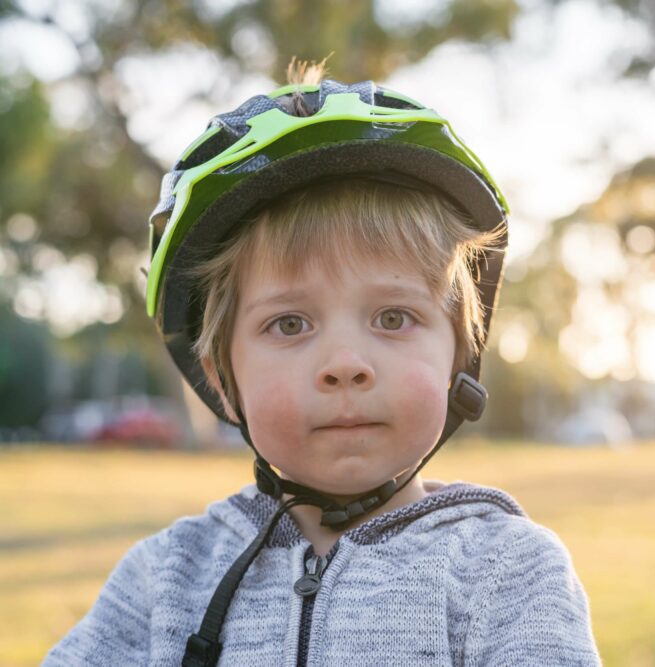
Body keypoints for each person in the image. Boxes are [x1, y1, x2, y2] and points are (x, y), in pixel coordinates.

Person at [44, 60, 600, 666]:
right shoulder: (163, 585)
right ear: (221, 379)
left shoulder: (507, 575)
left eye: (393, 318)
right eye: (289, 324)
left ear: (458, 356)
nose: (344, 365)